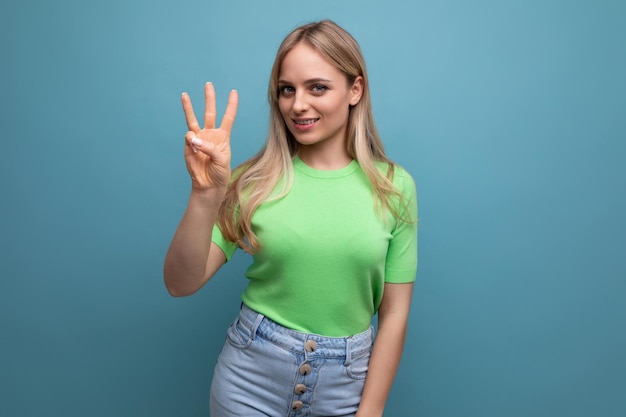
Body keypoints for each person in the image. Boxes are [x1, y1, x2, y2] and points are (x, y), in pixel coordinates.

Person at [164, 19, 418, 417]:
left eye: (317, 87)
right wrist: (205, 194)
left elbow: (396, 313)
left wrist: (371, 411)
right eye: (287, 90)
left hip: (345, 388)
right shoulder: (252, 182)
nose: (298, 105)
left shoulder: (394, 187)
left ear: (355, 89)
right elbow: (180, 283)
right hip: (249, 381)